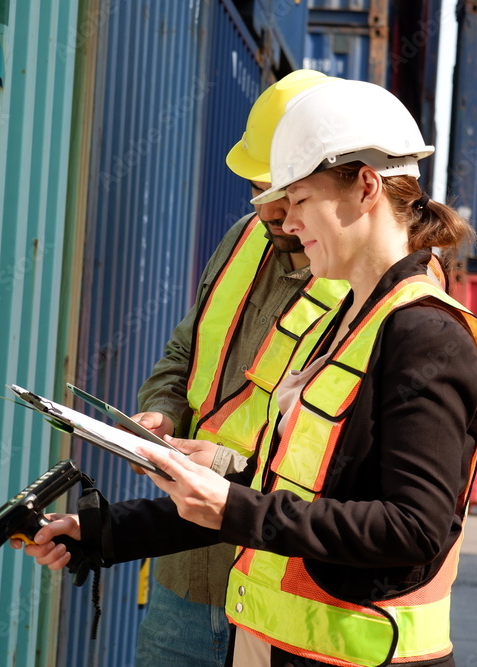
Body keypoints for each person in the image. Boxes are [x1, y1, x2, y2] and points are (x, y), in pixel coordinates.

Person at [17, 78, 477, 667]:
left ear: (366, 186)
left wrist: (229, 504)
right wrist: (100, 531)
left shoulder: (427, 334)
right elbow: (281, 492)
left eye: (299, 201)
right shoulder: (346, 319)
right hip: (282, 647)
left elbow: (414, 529)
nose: (284, 223)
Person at [128, 70, 348, 667]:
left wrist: (223, 470)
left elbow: (348, 473)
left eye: (279, 188)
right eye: (257, 186)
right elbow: (185, 351)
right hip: (186, 566)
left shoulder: (374, 287)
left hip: (279, 584)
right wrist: (162, 410)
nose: (269, 208)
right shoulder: (243, 239)